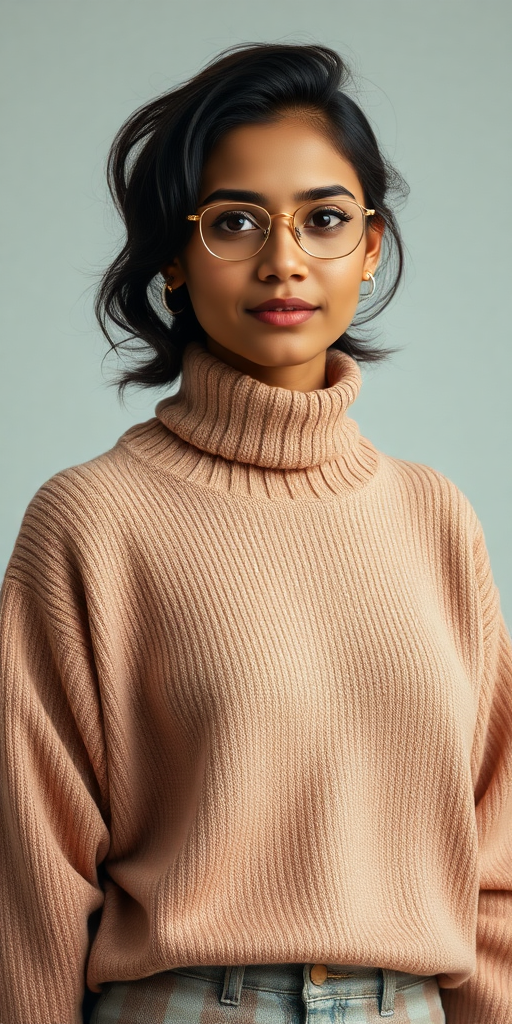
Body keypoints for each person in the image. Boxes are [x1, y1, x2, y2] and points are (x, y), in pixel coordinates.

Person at [0, 42, 510, 1024]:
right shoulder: (91, 520)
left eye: (323, 220)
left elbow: (493, 852)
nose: (284, 259)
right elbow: (33, 872)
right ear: (173, 260)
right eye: (233, 221)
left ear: (368, 248)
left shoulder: (433, 517)